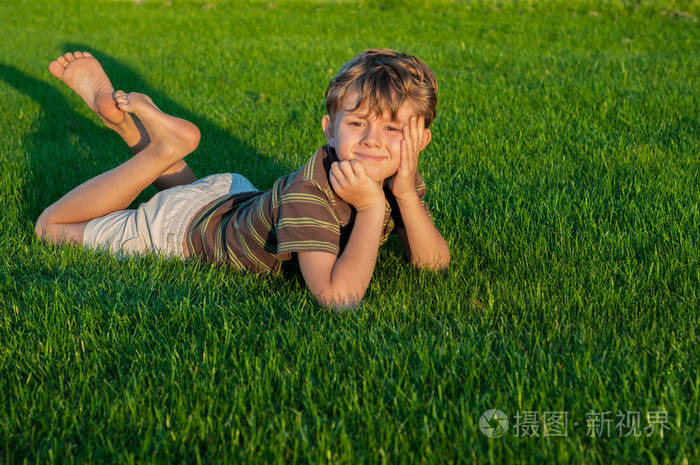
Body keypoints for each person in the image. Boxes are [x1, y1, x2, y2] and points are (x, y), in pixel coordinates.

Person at [35, 49, 450, 308]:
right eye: (358, 123)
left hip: (231, 198)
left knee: (188, 197)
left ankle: (128, 128)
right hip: (177, 231)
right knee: (50, 227)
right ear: (329, 128)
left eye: (393, 130)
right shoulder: (312, 193)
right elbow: (337, 298)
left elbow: (433, 265)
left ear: (420, 139)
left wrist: (403, 196)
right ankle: (163, 150)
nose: (373, 141)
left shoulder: (399, 176)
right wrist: (372, 206)